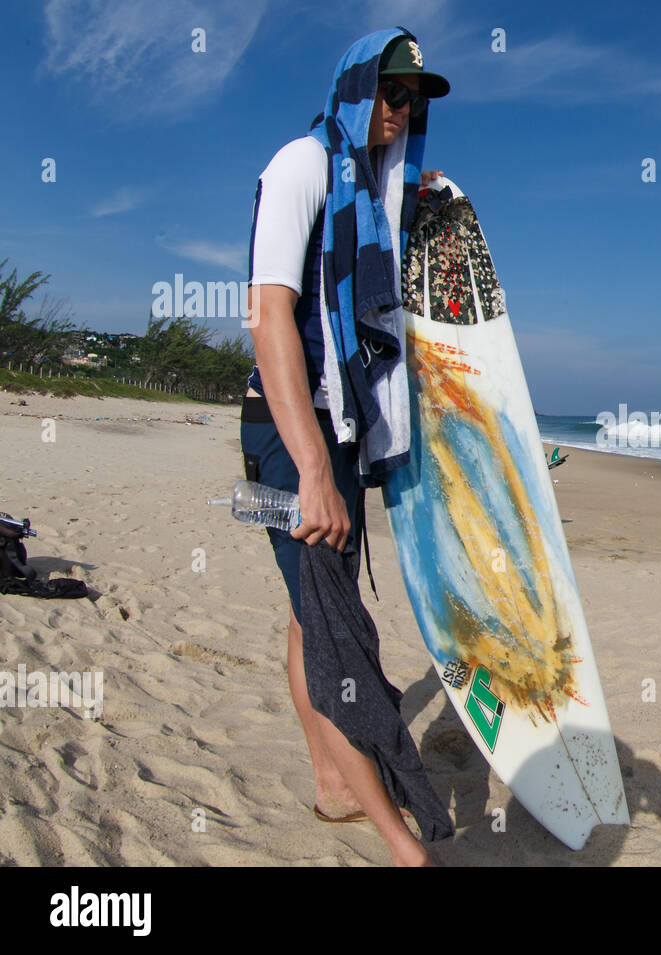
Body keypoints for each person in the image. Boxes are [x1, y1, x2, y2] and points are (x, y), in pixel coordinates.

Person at [241, 28, 451, 865]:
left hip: (337, 432)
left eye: (418, 98)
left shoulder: (372, 194)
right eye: (393, 91)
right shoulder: (300, 165)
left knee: (307, 617)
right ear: (359, 86)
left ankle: (332, 786)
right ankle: (405, 846)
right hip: (291, 434)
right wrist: (317, 477)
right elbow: (268, 320)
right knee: (336, 632)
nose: (404, 110)